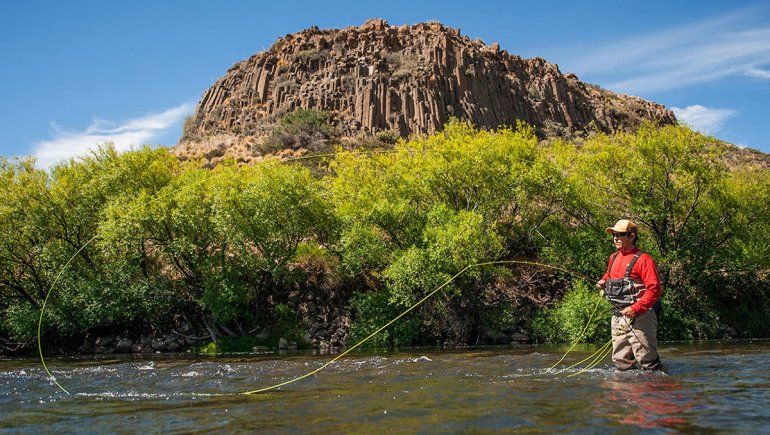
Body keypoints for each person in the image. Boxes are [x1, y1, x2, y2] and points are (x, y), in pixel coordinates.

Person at [596, 219, 664, 371]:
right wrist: (603, 281)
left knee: (648, 361)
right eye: (614, 235)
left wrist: (636, 308)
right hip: (619, 315)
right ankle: (625, 391)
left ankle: (656, 390)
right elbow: (609, 275)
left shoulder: (644, 260)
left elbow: (654, 289)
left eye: (620, 235)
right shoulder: (613, 257)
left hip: (641, 316)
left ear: (632, 236)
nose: (615, 238)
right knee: (621, 361)